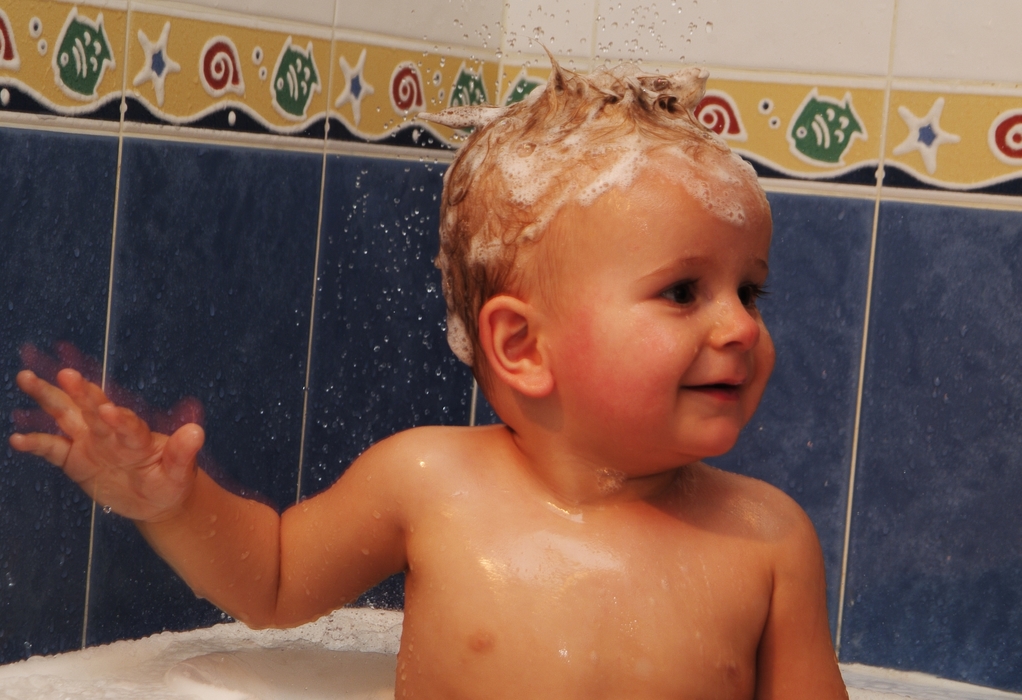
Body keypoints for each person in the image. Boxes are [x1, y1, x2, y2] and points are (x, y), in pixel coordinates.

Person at [9, 59, 848, 699]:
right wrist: (173, 502)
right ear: (521, 344)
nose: (740, 325)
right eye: (683, 292)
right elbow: (269, 581)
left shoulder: (767, 543)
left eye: (750, 290)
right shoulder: (431, 482)